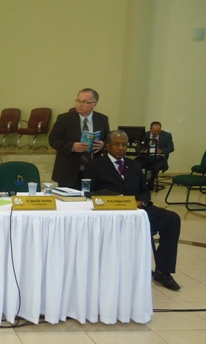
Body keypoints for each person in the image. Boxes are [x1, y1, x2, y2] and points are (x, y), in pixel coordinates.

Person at [84, 130, 181, 291]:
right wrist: (115, 200)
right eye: (117, 144)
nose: (121, 148)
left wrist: (141, 202)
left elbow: (145, 190)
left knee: (172, 219)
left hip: (137, 209)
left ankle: (163, 271)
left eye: (124, 144)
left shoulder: (135, 164)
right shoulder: (95, 165)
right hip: (111, 212)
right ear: (108, 146)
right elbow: (89, 192)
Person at [49, 88, 110, 189]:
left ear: (94, 104)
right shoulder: (64, 119)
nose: (79, 105)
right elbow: (53, 140)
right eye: (78, 101)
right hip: (68, 171)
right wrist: (72, 146)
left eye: (84, 102)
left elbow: (108, 139)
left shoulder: (102, 119)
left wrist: (103, 145)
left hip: (94, 171)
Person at [135, 121, 174, 190]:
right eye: (154, 131)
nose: (156, 133)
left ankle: (149, 183)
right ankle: (139, 182)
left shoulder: (167, 135)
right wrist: (141, 150)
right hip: (145, 157)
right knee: (136, 163)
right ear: (150, 129)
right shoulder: (144, 135)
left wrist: (161, 150)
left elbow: (171, 148)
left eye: (158, 131)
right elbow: (138, 147)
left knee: (155, 167)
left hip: (159, 157)